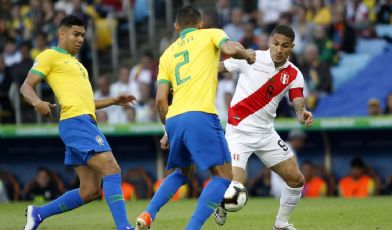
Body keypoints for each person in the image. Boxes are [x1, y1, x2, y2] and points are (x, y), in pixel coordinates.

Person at [135, 6, 255, 230]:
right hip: (200, 115)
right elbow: (229, 47)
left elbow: (161, 100)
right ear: (200, 24)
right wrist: (247, 54)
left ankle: (148, 213)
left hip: (175, 119)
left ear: (176, 27)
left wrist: (167, 130)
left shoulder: (167, 55)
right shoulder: (210, 33)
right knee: (223, 176)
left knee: (183, 171)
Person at [20, 15, 136, 230]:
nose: (81, 39)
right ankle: (124, 227)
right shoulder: (49, 56)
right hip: (75, 122)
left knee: (89, 190)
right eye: (76, 34)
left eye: (83, 35)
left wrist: (113, 100)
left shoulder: (79, 66)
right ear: (61, 34)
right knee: (111, 169)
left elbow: (86, 103)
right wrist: (37, 102)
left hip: (85, 121)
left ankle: (38, 213)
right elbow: (26, 86)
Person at [214, 25, 314, 230]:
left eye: (284, 46)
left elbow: (297, 100)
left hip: (266, 134)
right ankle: (222, 205)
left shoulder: (294, 74)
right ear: (269, 42)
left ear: (292, 47)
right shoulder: (251, 58)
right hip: (238, 133)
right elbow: (218, 68)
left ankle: (281, 223)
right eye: (275, 44)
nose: (279, 49)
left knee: (296, 180)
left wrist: (302, 113)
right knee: (236, 190)